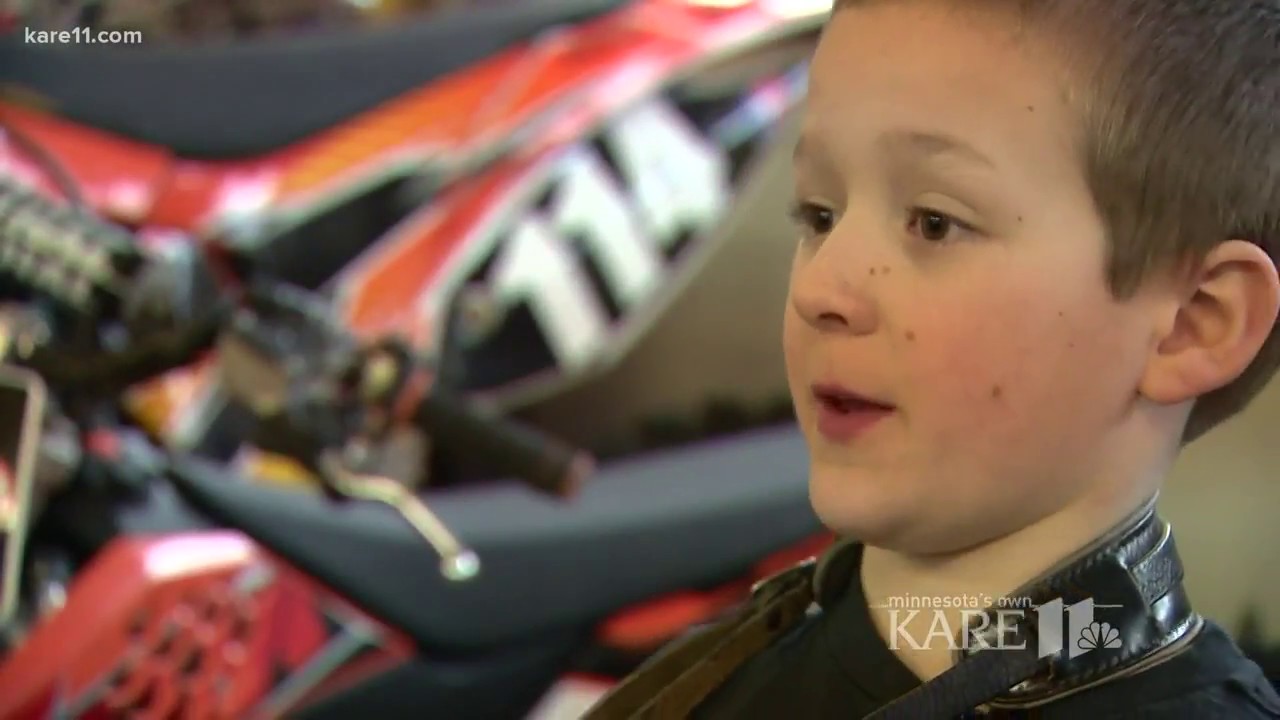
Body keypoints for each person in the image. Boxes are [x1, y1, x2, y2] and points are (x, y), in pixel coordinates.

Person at [584, 0, 1280, 717]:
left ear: (1193, 325)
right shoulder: (696, 689)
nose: (821, 290)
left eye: (935, 224)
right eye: (820, 215)